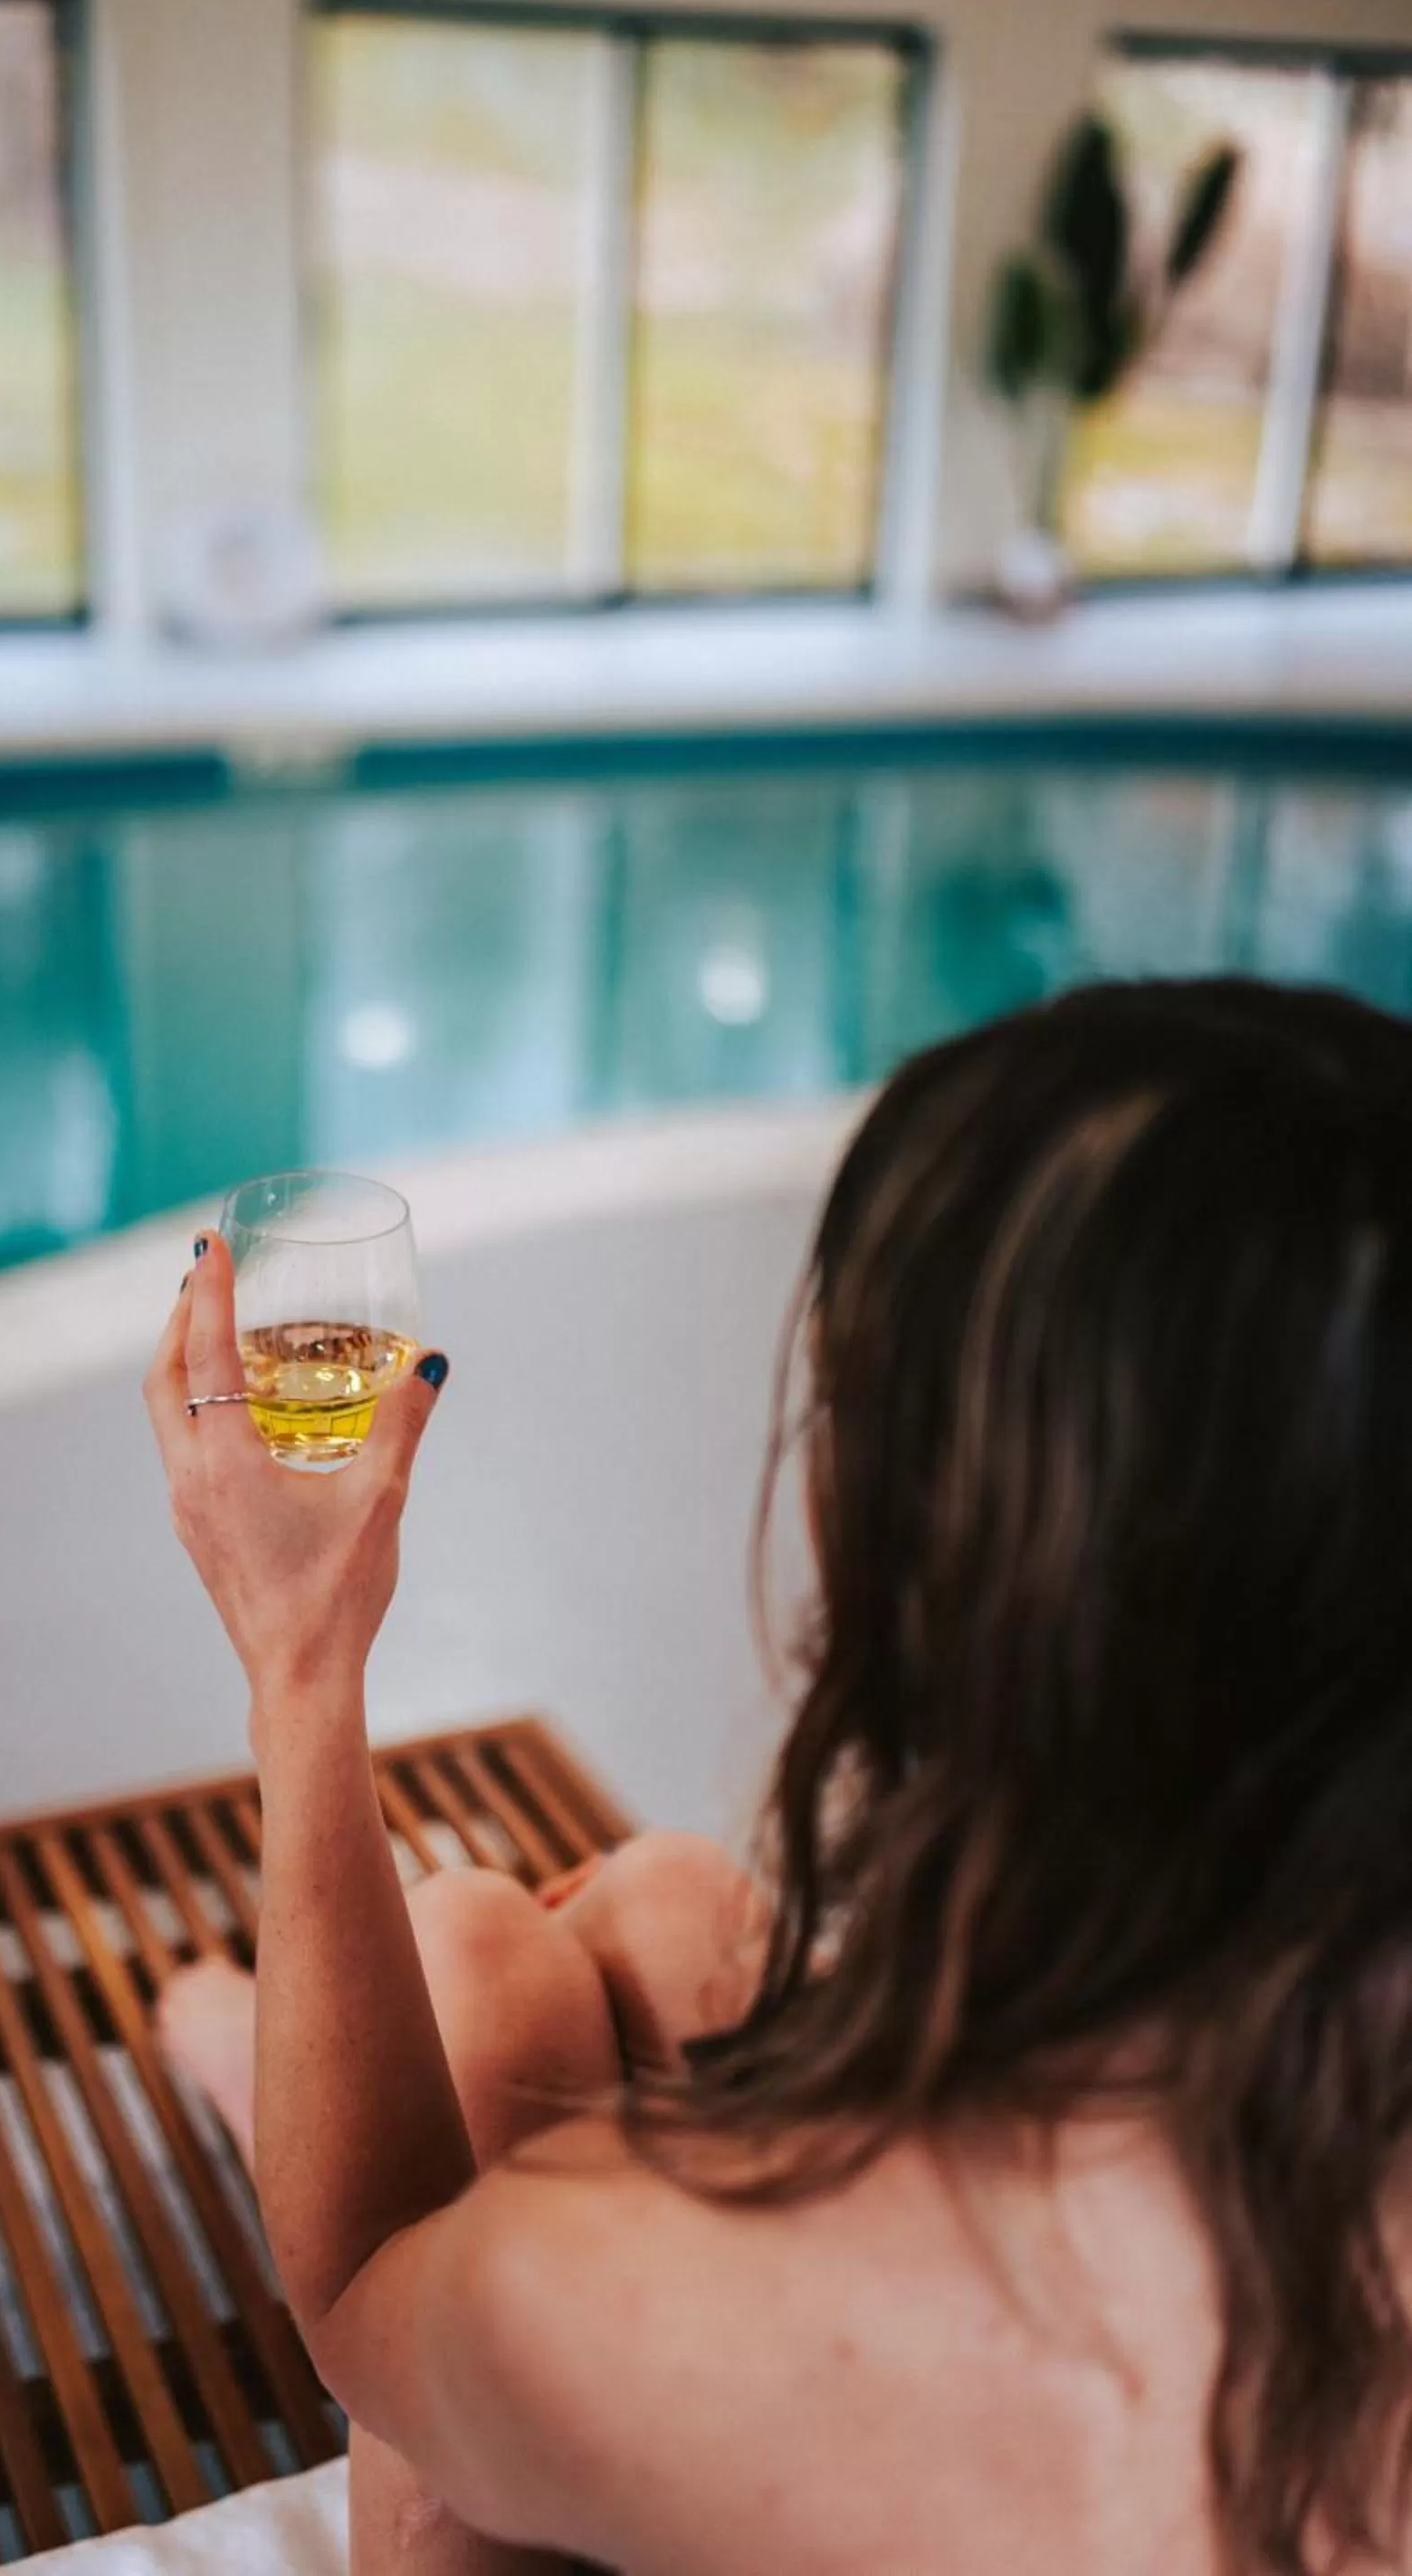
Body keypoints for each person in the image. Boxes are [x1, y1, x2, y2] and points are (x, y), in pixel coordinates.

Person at [142, 977, 1412, 2576]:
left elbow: (364, 2299)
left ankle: (224, 2037)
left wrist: (301, 1664)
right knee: (665, 1908)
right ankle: (223, 2032)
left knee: (469, 1952)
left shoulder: (737, 2300)